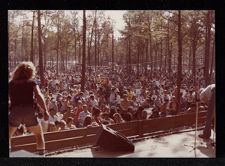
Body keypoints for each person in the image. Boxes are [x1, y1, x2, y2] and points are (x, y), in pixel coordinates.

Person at [8, 62, 49, 155]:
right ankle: (41, 156)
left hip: (15, 112)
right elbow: (39, 95)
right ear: (31, 72)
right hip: (29, 111)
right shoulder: (32, 83)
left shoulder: (11, 83)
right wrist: (45, 110)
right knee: (38, 134)